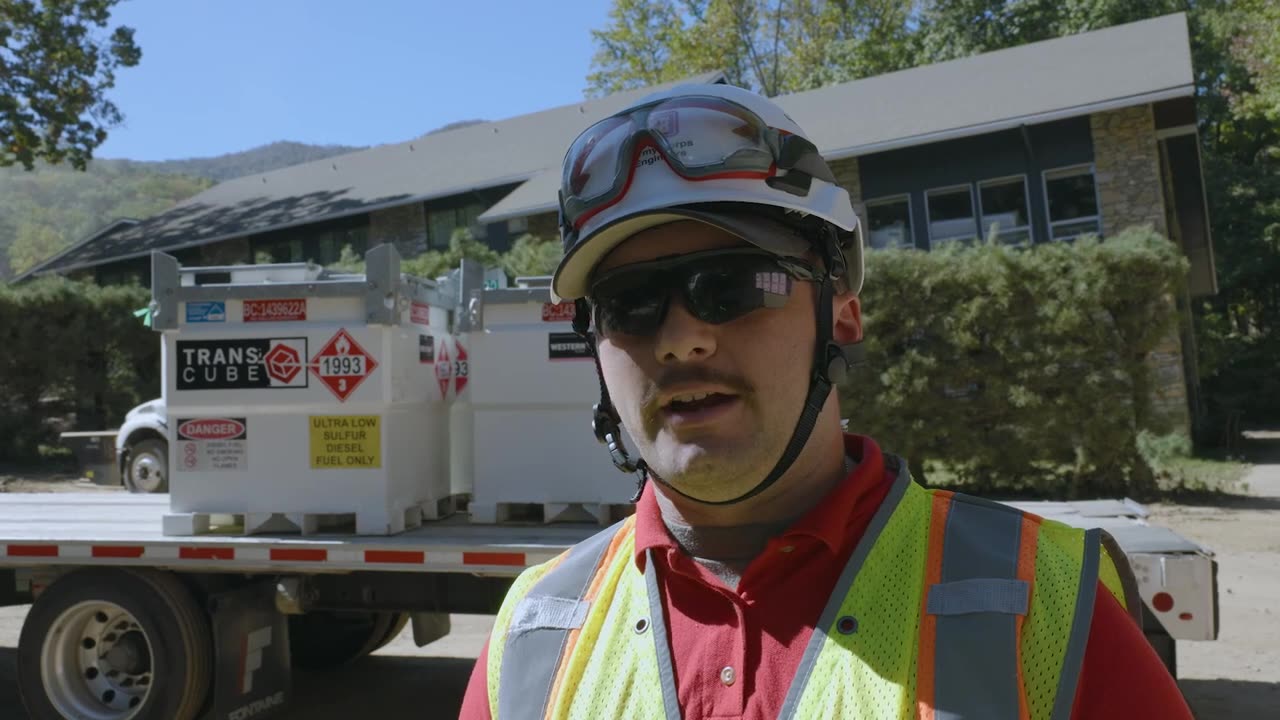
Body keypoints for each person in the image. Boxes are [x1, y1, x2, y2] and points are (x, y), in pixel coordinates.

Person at [459, 83, 1193, 720]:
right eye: (631, 302)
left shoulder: (1044, 606)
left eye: (734, 284)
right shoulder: (535, 633)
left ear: (840, 312)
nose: (683, 339)